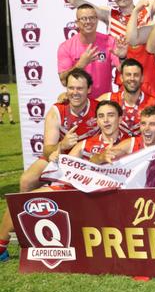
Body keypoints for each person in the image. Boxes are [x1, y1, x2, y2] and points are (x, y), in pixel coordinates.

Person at [0, 69, 99, 261]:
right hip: (57, 156)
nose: (74, 92)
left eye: (79, 88)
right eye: (70, 88)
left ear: (89, 90)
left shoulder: (99, 108)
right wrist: (63, 145)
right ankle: (24, 226)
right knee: (26, 180)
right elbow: (47, 150)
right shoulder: (57, 110)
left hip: (82, 162)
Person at [57, 4, 127, 98]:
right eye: (84, 18)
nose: (88, 22)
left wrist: (122, 57)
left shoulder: (110, 41)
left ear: (97, 20)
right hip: (79, 102)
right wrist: (80, 65)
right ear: (77, 23)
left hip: (104, 103)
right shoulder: (66, 47)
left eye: (92, 18)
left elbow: (123, 71)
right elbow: (64, 81)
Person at [96, 59, 155, 137]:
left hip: (142, 147)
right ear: (121, 78)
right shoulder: (107, 99)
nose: (132, 78)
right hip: (115, 147)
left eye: (136, 75)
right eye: (128, 75)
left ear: (142, 78)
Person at [89, 105, 155, 165]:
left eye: (152, 124)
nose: (146, 128)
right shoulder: (132, 144)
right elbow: (92, 161)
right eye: (143, 124)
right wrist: (101, 157)